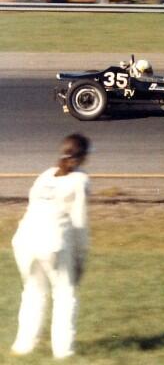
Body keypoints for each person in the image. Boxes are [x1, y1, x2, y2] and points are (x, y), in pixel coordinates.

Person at [11, 134, 91, 359]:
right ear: (83, 157)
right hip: (53, 241)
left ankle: (23, 346)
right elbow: (80, 223)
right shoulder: (81, 180)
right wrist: (81, 258)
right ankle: (63, 351)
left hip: (25, 240)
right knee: (65, 294)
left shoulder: (45, 175)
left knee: (33, 292)